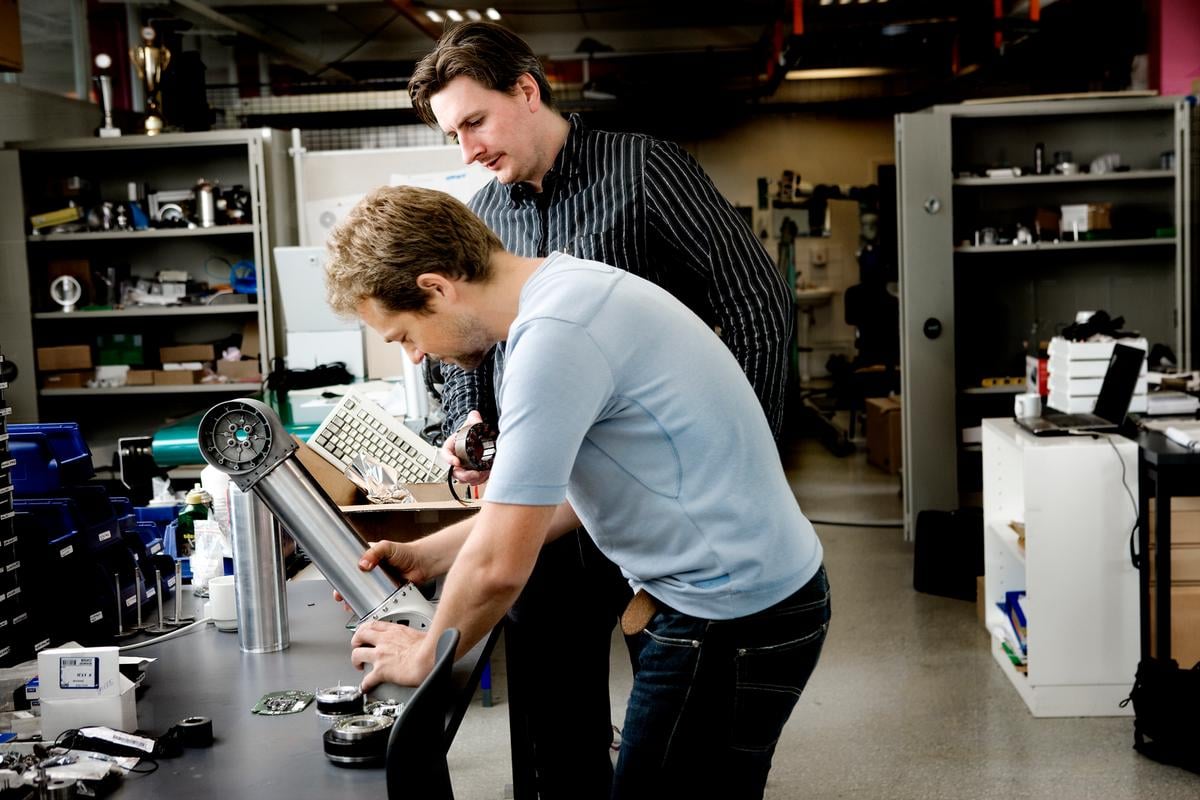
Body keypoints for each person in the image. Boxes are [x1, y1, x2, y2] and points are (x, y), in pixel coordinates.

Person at [325, 184, 829, 800]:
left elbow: (501, 566)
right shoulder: (568, 288)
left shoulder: (555, 336)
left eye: (404, 335)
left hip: (729, 616)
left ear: (436, 287)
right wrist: (429, 555)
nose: (417, 354)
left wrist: (427, 654)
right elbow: (564, 498)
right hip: (745, 597)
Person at [405, 22, 795, 798]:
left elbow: (755, 302)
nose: (468, 149)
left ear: (527, 89)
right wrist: (466, 419)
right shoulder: (486, 211)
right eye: (453, 133)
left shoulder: (645, 171)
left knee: (675, 690)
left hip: (657, 499)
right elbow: (478, 338)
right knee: (554, 714)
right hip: (555, 503)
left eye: (475, 122)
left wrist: (743, 454)